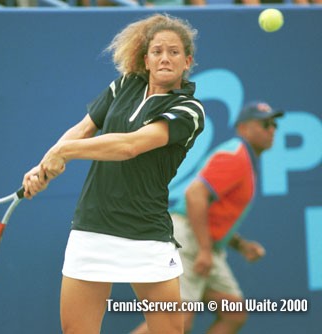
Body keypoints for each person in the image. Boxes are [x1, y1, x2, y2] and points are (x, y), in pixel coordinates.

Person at [22, 14, 205, 334]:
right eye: (158, 51)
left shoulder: (188, 110)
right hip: (92, 227)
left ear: (187, 61)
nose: (165, 57)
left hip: (147, 234)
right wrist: (43, 167)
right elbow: (83, 129)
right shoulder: (124, 85)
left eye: (174, 52)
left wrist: (63, 152)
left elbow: (130, 146)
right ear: (145, 59)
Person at [132, 101, 284, 334]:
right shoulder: (236, 155)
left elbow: (213, 213)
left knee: (233, 314)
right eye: (265, 123)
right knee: (176, 323)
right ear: (243, 128)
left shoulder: (244, 158)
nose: (272, 129)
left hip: (203, 244)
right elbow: (195, 196)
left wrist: (240, 244)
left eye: (274, 124)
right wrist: (204, 248)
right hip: (188, 241)